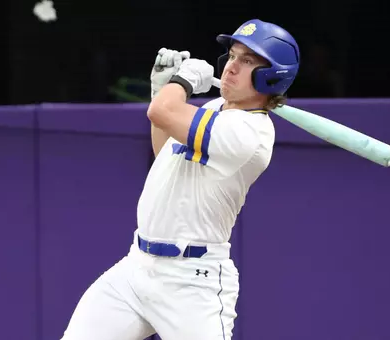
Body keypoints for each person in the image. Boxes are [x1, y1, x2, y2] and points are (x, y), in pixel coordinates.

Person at [60, 18, 300, 340]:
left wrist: (181, 83)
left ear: (271, 77)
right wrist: (162, 89)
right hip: (137, 268)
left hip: (191, 282)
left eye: (247, 61)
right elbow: (165, 155)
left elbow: (161, 112)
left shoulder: (249, 134)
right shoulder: (217, 108)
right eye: (232, 56)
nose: (231, 67)